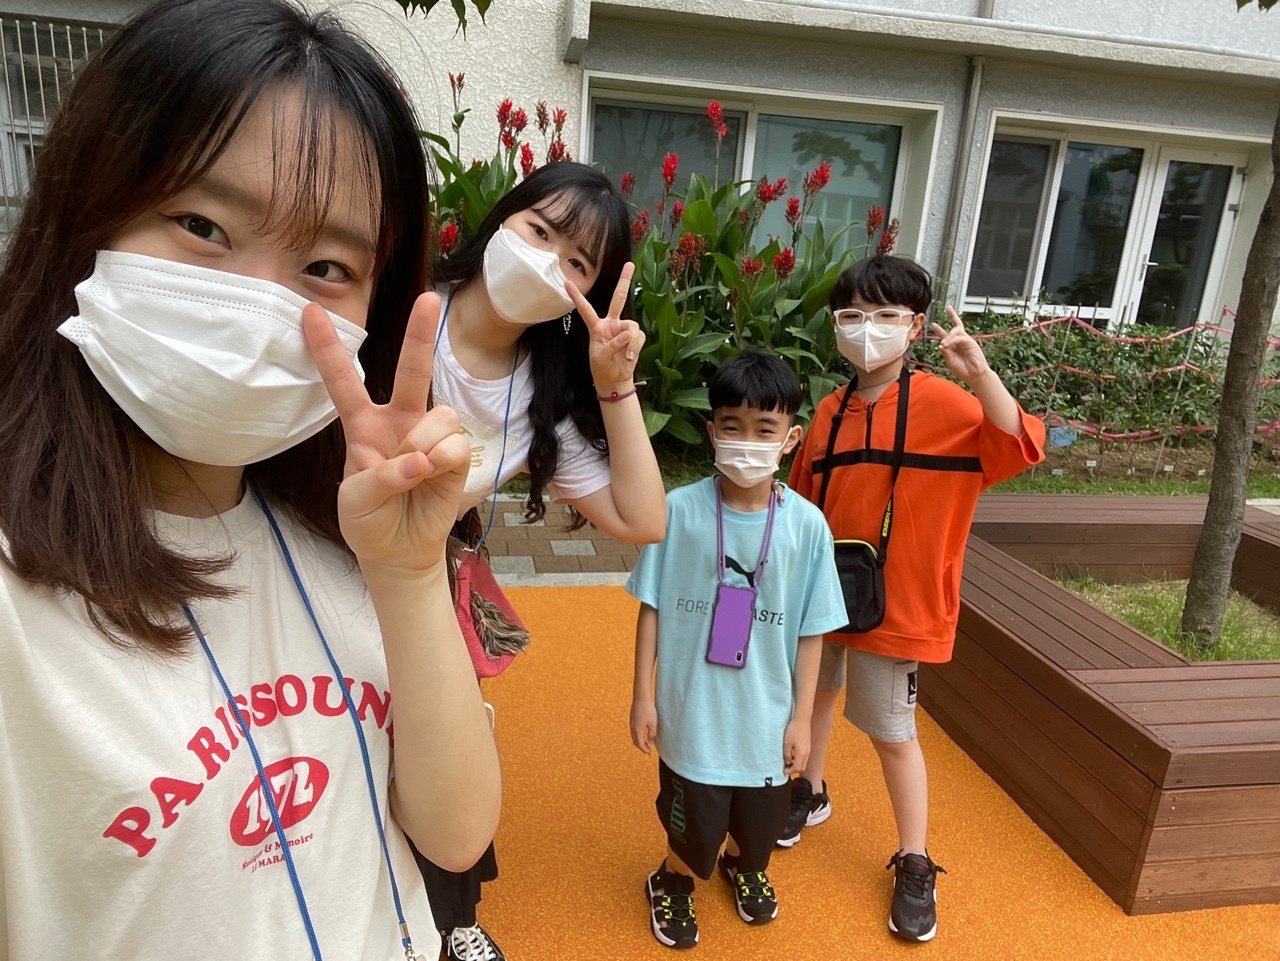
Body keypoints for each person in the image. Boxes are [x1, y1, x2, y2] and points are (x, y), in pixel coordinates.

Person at [0, 1, 501, 958]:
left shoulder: (347, 530)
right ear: (85, 212)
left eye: (326, 265)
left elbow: (456, 833)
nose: (263, 301)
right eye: (202, 224)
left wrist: (407, 577)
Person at [417, 162, 667, 961]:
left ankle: (452, 921)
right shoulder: (403, 309)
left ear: (582, 295)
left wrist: (615, 384)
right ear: (502, 219)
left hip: (427, 594)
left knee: (441, 761)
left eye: (577, 262)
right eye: (539, 231)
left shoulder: (540, 396)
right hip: (324, 570)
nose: (547, 261)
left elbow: (643, 519)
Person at [783, 255, 1046, 943]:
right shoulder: (830, 410)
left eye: (885, 315)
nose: (867, 327)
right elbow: (801, 503)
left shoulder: (946, 403)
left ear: (916, 325)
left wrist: (979, 373)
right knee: (813, 694)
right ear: (835, 325)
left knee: (892, 733)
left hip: (900, 603)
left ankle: (915, 858)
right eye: (852, 315)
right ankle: (809, 789)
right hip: (824, 589)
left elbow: (1017, 444)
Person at [626, 351, 847, 950]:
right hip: (692, 715)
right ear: (711, 431)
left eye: (764, 429)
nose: (747, 442)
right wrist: (642, 696)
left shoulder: (808, 527)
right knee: (692, 826)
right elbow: (652, 606)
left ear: (790, 439)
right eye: (732, 426)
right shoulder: (677, 512)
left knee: (759, 825)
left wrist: (801, 718)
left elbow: (812, 630)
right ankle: (672, 878)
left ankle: (742, 865)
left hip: (767, 720)